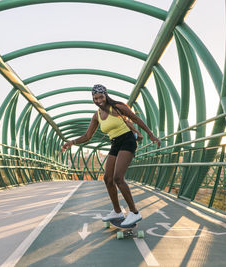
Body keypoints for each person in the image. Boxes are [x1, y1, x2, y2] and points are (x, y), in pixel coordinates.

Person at [62, 84, 160, 227]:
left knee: (118, 177)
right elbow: (87, 136)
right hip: (115, 143)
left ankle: (134, 212)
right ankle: (117, 211)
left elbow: (136, 119)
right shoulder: (96, 116)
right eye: (95, 98)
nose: (98, 100)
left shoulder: (118, 107)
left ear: (106, 95)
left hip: (127, 140)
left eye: (101, 97)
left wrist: (151, 135)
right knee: (108, 178)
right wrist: (71, 142)